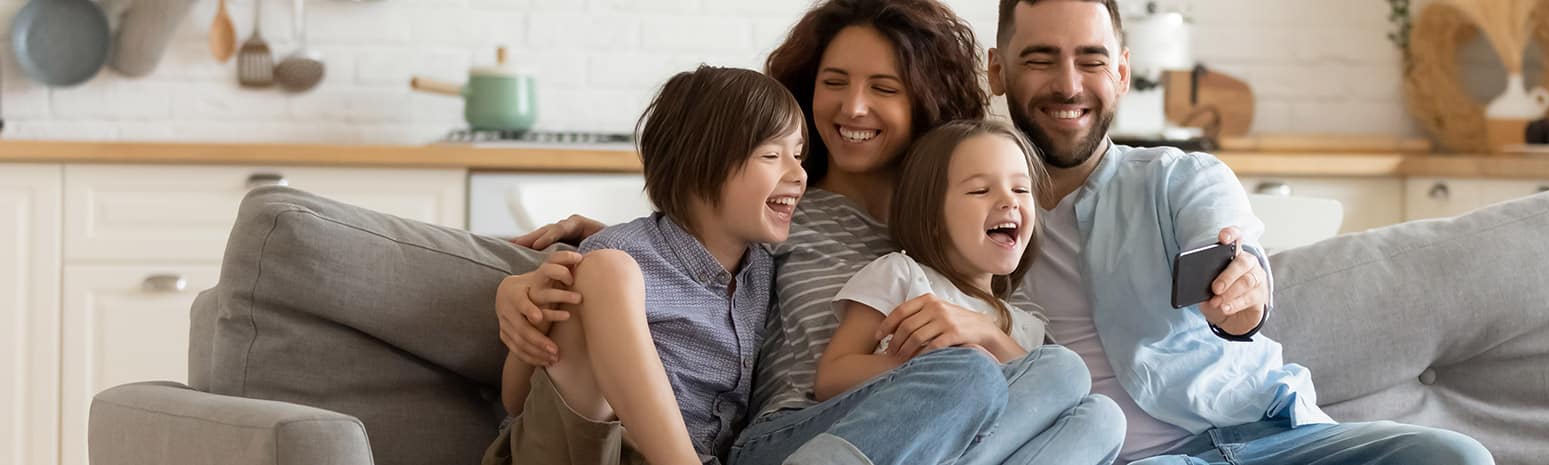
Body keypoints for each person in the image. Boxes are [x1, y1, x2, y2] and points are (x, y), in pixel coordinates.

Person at [497, 1, 1125, 464]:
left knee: (1081, 394)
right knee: (968, 376)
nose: (853, 108)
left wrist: (983, 332)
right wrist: (575, 259)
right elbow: (689, 247)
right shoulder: (783, 218)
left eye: (884, 88)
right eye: (833, 84)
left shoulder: (952, 227)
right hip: (792, 430)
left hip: (924, 432)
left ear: (925, 102)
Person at [986, 1, 1495, 464]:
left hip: (1275, 439)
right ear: (997, 70)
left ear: (1121, 72)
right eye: (1040, 59)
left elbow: (1231, 252)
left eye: (1092, 60)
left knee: (1455, 456)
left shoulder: (1179, 178)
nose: (1069, 85)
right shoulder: (967, 213)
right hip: (1138, 460)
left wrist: (1243, 291)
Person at [484, 65, 807, 465]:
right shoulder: (612, 258)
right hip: (575, 449)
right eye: (773, 155)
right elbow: (515, 399)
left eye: (798, 154)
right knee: (607, 270)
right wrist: (529, 319)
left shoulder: (763, 270)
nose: (798, 173)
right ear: (698, 166)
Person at [815, 120, 1121, 461]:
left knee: (1103, 415)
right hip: (904, 445)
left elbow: (1044, 404)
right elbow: (830, 379)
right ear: (932, 216)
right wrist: (932, 371)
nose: (1009, 201)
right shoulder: (903, 275)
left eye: (1021, 190)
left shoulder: (1027, 326)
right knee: (1007, 372)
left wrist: (986, 334)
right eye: (980, 190)